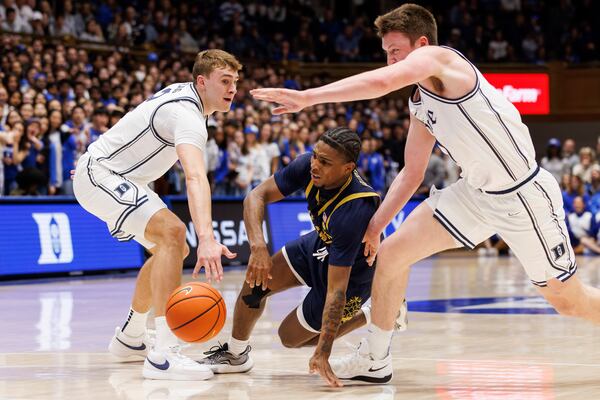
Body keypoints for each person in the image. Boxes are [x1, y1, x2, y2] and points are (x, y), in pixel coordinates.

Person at [252, 3, 591, 386]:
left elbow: (381, 83)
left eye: (395, 51)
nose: (390, 60)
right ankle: (375, 359)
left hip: (523, 196)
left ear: (422, 44)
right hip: (475, 195)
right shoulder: (420, 101)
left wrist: (308, 97)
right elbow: (412, 172)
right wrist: (376, 226)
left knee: (567, 300)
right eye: (386, 54)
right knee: (392, 256)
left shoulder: (442, 60)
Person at [72, 49, 241, 381]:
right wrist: (206, 238)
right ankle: (163, 354)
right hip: (102, 173)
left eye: (235, 81)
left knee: (174, 247)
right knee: (174, 234)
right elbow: (195, 176)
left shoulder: (192, 103)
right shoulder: (186, 114)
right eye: (225, 81)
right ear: (202, 82)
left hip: (123, 177)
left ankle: (131, 337)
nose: (233, 88)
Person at [196, 128, 405, 387]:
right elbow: (255, 196)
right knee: (256, 283)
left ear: (348, 168)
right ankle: (236, 354)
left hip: (353, 273)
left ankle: (377, 312)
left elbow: (337, 291)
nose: (315, 165)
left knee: (290, 338)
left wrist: (324, 350)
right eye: (316, 156)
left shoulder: (355, 208)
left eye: (325, 162)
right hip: (321, 243)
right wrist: (258, 245)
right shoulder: (308, 165)